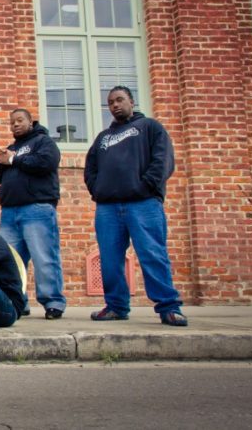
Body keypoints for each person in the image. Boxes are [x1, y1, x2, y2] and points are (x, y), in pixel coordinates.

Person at [84, 86, 188, 327]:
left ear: (132, 101)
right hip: (108, 207)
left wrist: (145, 187)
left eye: (120, 100)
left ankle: (169, 307)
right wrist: (97, 190)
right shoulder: (103, 138)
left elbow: (163, 161)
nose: (115, 105)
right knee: (109, 259)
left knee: (152, 254)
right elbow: (91, 168)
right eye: (110, 102)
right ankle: (116, 306)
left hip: (143, 204)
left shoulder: (150, 127)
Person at [0, 109, 66, 320]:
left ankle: (53, 302)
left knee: (44, 258)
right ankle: (18, 301)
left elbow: (46, 163)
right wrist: (1, 160)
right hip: (10, 212)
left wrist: (13, 160)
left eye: (19, 120)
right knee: (10, 262)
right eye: (12, 122)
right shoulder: (12, 148)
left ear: (30, 122)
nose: (15, 124)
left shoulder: (43, 142)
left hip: (37, 209)